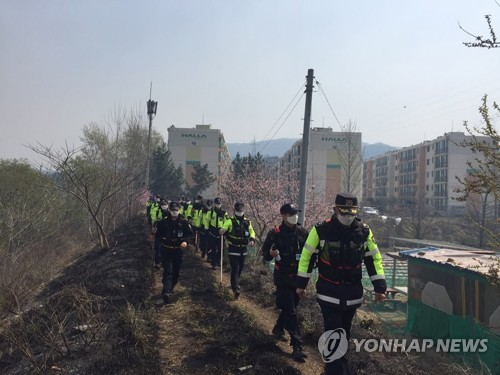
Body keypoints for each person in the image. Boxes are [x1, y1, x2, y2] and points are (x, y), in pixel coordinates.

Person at [296, 193, 386, 375]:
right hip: (328, 292)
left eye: (352, 211)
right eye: (344, 211)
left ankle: (334, 366)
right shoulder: (321, 230)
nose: (348, 215)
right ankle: (338, 370)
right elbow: (307, 257)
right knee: (334, 330)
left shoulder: (364, 231)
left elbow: (374, 260)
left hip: (352, 294)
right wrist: (301, 284)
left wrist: (380, 288)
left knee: (344, 332)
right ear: (335, 210)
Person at [262, 203, 310, 360]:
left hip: (298, 278)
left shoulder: (303, 233)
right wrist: (271, 253)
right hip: (282, 277)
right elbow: (266, 255)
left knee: (292, 308)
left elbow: (312, 252)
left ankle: (278, 328)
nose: (295, 216)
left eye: (296, 213)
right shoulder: (274, 234)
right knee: (291, 311)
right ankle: (297, 345)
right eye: (291, 214)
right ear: (283, 216)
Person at [155, 201, 194, 304]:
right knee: (168, 270)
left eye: (176, 210)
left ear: (179, 210)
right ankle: (166, 292)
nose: (174, 212)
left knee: (176, 273)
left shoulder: (184, 222)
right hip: (166, 249)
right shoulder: (164, 222)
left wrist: (185, 242)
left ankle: (169, 289)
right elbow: (158, 235)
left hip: (178, 250)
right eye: (172, 210)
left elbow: (190, 235)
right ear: (170, 210)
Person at [220, 202, 255, 299]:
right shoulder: (230, 221)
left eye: (241, 211)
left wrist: (252, 239)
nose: (240, 212)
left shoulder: (247, 222)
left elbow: (252, 231)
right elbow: (224, 227)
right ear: (234, 210)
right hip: (233, 249)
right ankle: (236, 288)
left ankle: (234, 283)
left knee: (240, 268)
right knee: (235, 268)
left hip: (243, 249)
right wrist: (222, 230)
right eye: (238, 211)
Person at [205, 197, 228, 270]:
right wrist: (207, 229)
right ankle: (213, 263)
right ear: (214, 204)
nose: (218, 205)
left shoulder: (224, 213)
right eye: (217, 204)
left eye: (220, 204)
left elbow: (226, 223)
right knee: (213, 249)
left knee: (221, 249)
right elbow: (207, 221)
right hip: (212, 232)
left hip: (220, 233)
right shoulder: (211, 212)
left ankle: (219, 262)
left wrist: (224, 230)